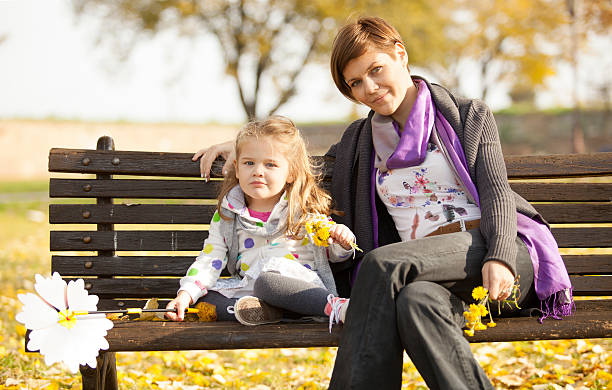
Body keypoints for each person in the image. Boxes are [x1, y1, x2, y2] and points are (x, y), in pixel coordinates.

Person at [193, 17, 573, 390]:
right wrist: (248, 149)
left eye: (376, 70)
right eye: (355, 83)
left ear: (400, 54)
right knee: (414, 303)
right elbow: (299, 164)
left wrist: (502, 255)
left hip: (494, 257)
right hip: (423, 275)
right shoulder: (361, 141)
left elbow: (496, 194)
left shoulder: (468, 116)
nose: (369, 88)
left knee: (381, 262)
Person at [166, 116, 353, 331]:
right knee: (205, 301)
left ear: (291, 172)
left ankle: (336, 308)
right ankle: (267, 313)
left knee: (268, 283)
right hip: (251, 290)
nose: (258, 171)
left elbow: (332, 253)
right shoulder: (228, 214)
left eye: (270, 164)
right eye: (249, 163)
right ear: (237, 169)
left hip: (298, 288)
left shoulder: (303, 210)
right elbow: (210, 257)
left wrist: (342, 241)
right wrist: (186, 293)